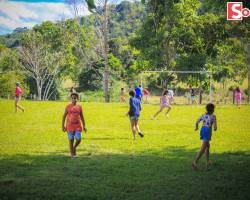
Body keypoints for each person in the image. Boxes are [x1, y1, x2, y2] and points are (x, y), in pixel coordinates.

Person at [192, 103, 217, 171]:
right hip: (207, 131)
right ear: (212, 110)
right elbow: (215, 127)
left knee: (207, 146)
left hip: (202, 130)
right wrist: (214, 128)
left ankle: (207, 162)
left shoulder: (203, 115)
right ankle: (195, 162)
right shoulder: (213, 116)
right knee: (203, 149)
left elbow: (197, 122)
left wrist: (196, 127)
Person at [62, 92, 87, 158]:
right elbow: (64, 116)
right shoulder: (68, 106)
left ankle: (74, 147)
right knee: (71, 139)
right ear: (71, 99)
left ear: (77, 99)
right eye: (72, 98)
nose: (73, 99)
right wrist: (63, 126)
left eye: (75, 98)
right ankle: (72, 155)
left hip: (78, 126)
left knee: (78, 139)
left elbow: (82, 116)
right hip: (69, 126)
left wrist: (84, 126)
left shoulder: (79, 107)